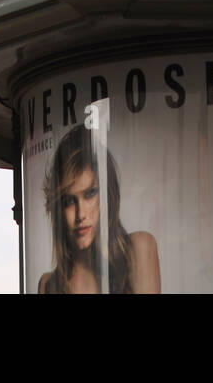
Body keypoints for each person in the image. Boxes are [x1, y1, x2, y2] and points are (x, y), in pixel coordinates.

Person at [37, 126, 160, 293]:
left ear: (108, 195)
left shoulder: (139, 249)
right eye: (69, 201)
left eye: (90, 194)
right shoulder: (49, 285)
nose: (81, 214)